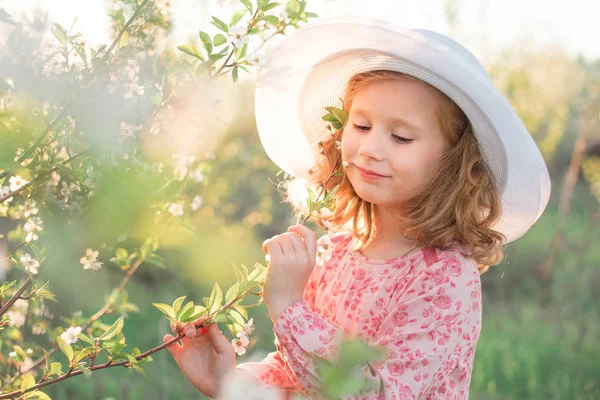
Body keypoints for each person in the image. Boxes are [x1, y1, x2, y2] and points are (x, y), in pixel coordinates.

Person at [163, 16, 551, 399]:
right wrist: (230, 381)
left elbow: (378, 393)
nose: (370, 149)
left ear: (453, 162)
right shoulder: (336, 252)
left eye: (400, 137)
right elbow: (299, 371)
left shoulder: (445, 278)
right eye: (361, 126)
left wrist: (287, 306)